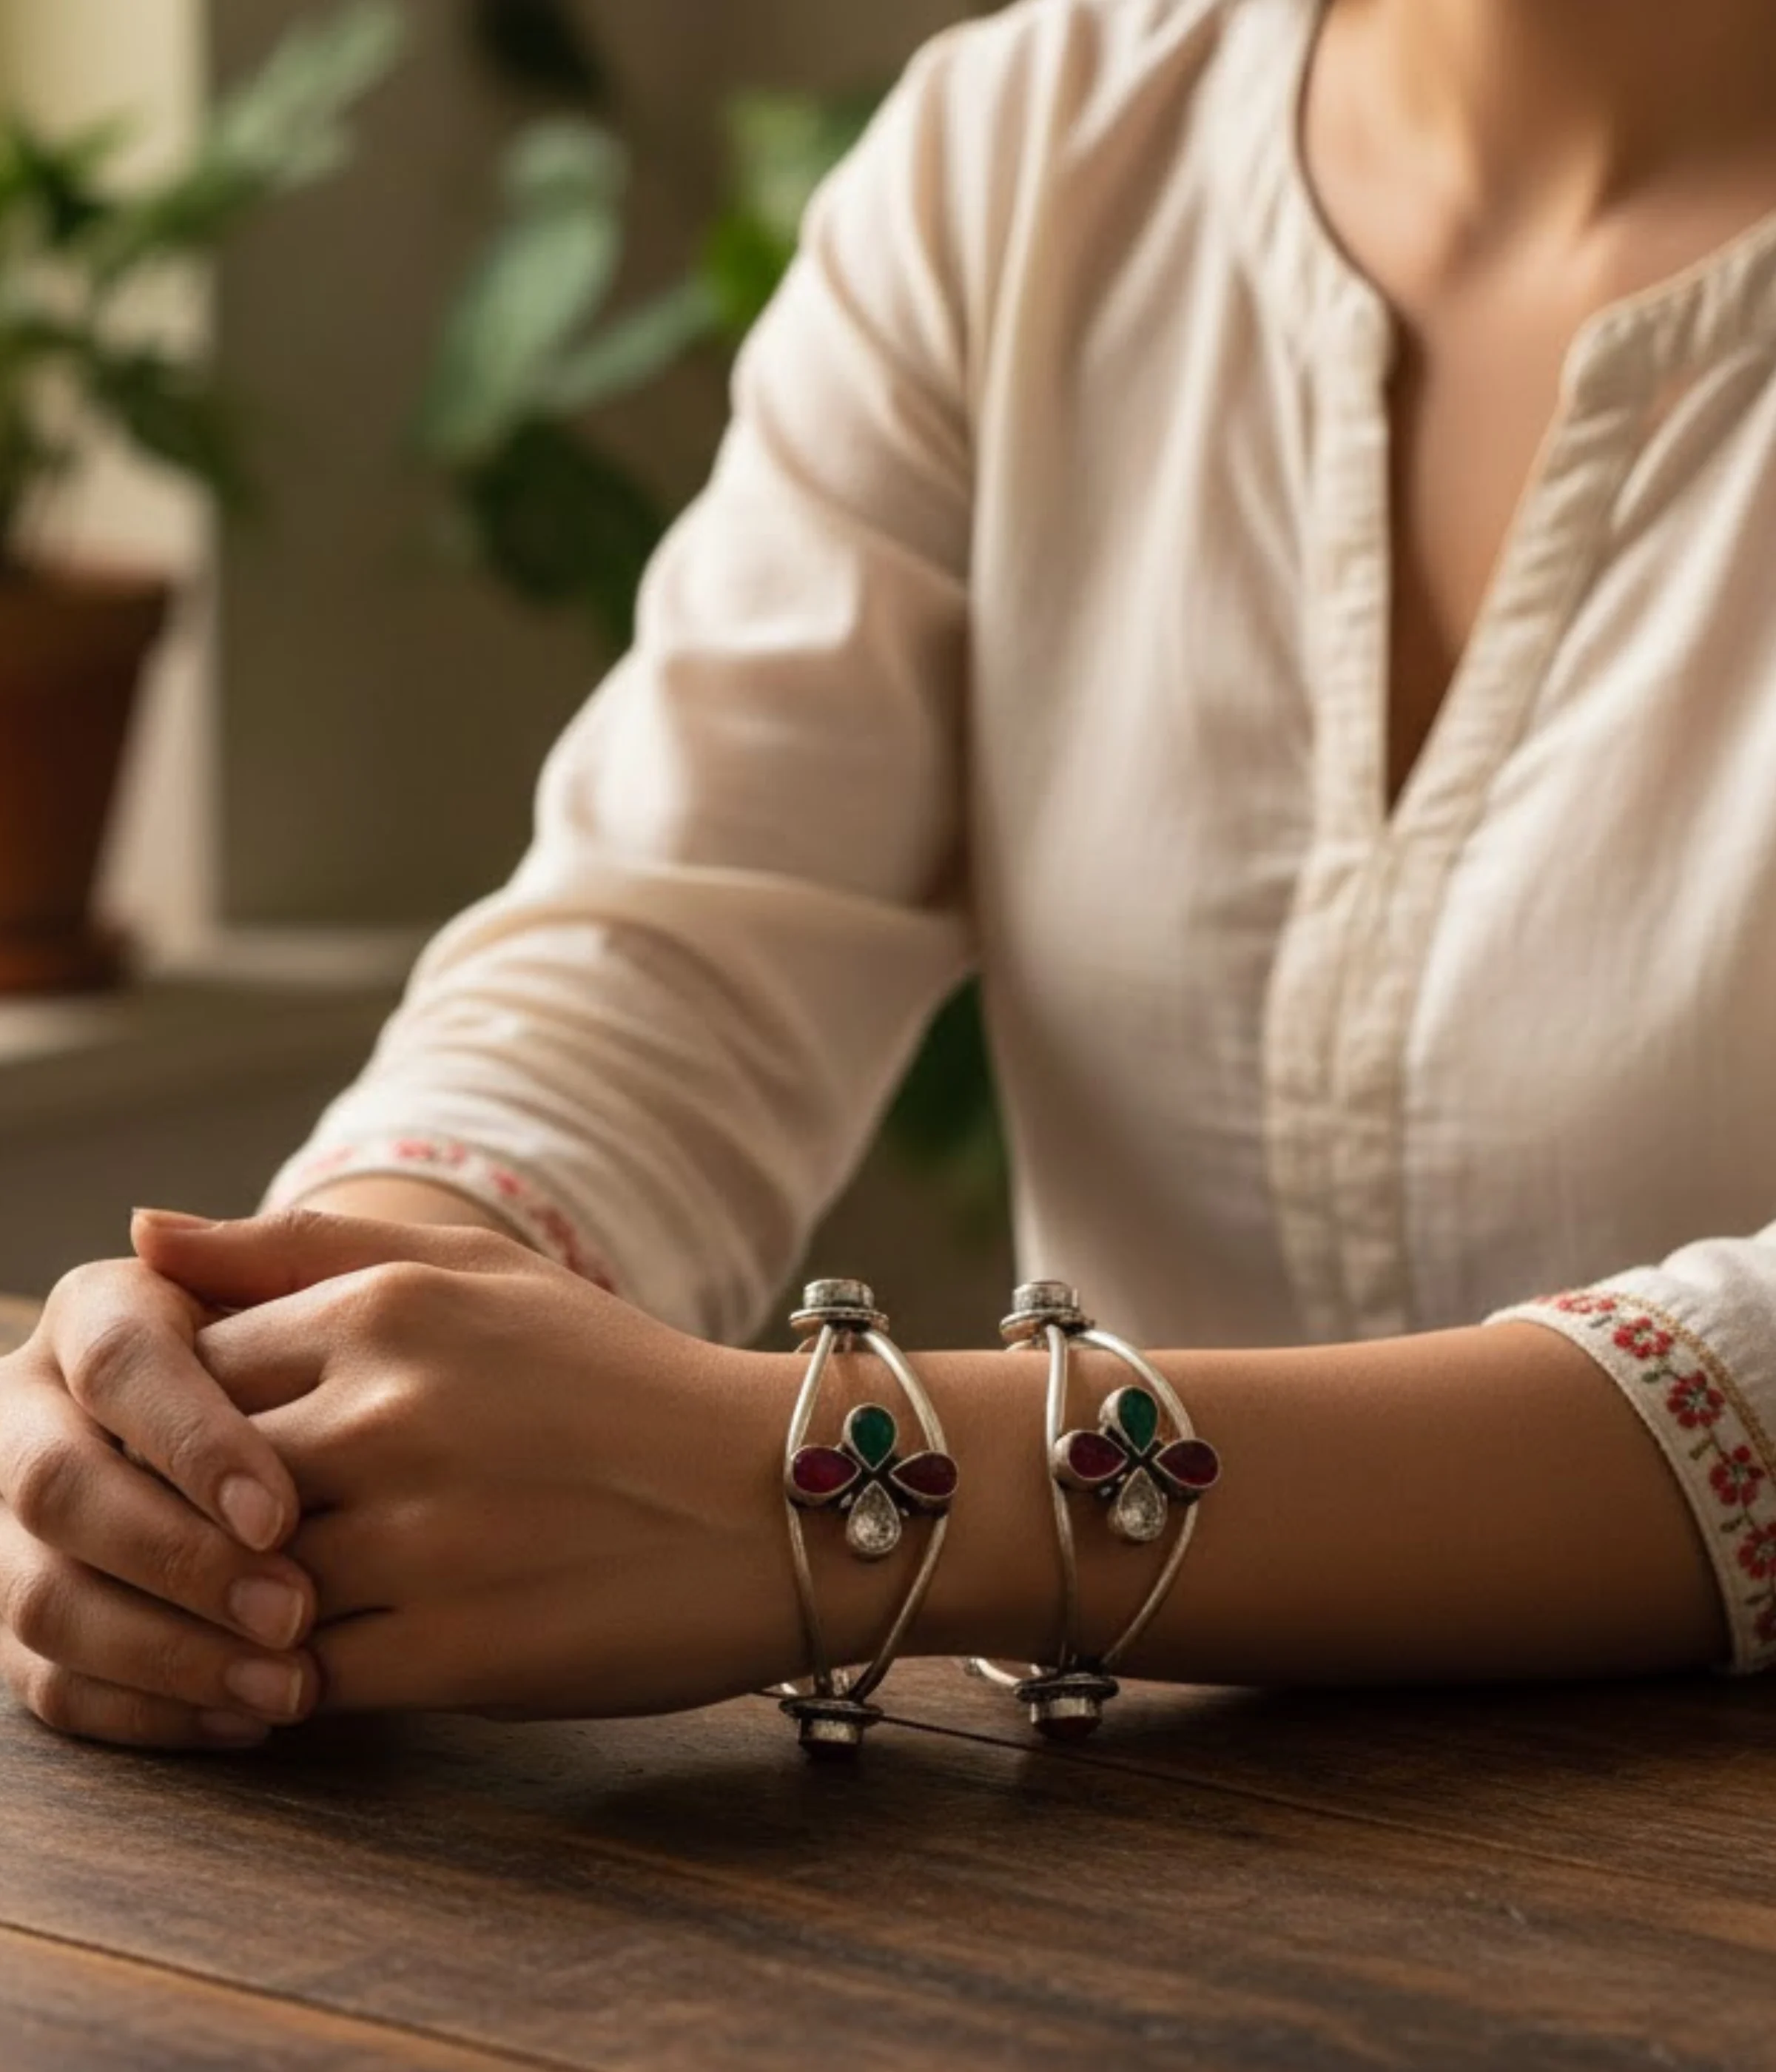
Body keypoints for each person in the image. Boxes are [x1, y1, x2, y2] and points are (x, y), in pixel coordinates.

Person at [4, 0, 1775, 1752]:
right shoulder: (1029, 155)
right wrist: (293, 1383)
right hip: (1121, 1897)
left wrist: (855, 1484)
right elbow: (668, 951)